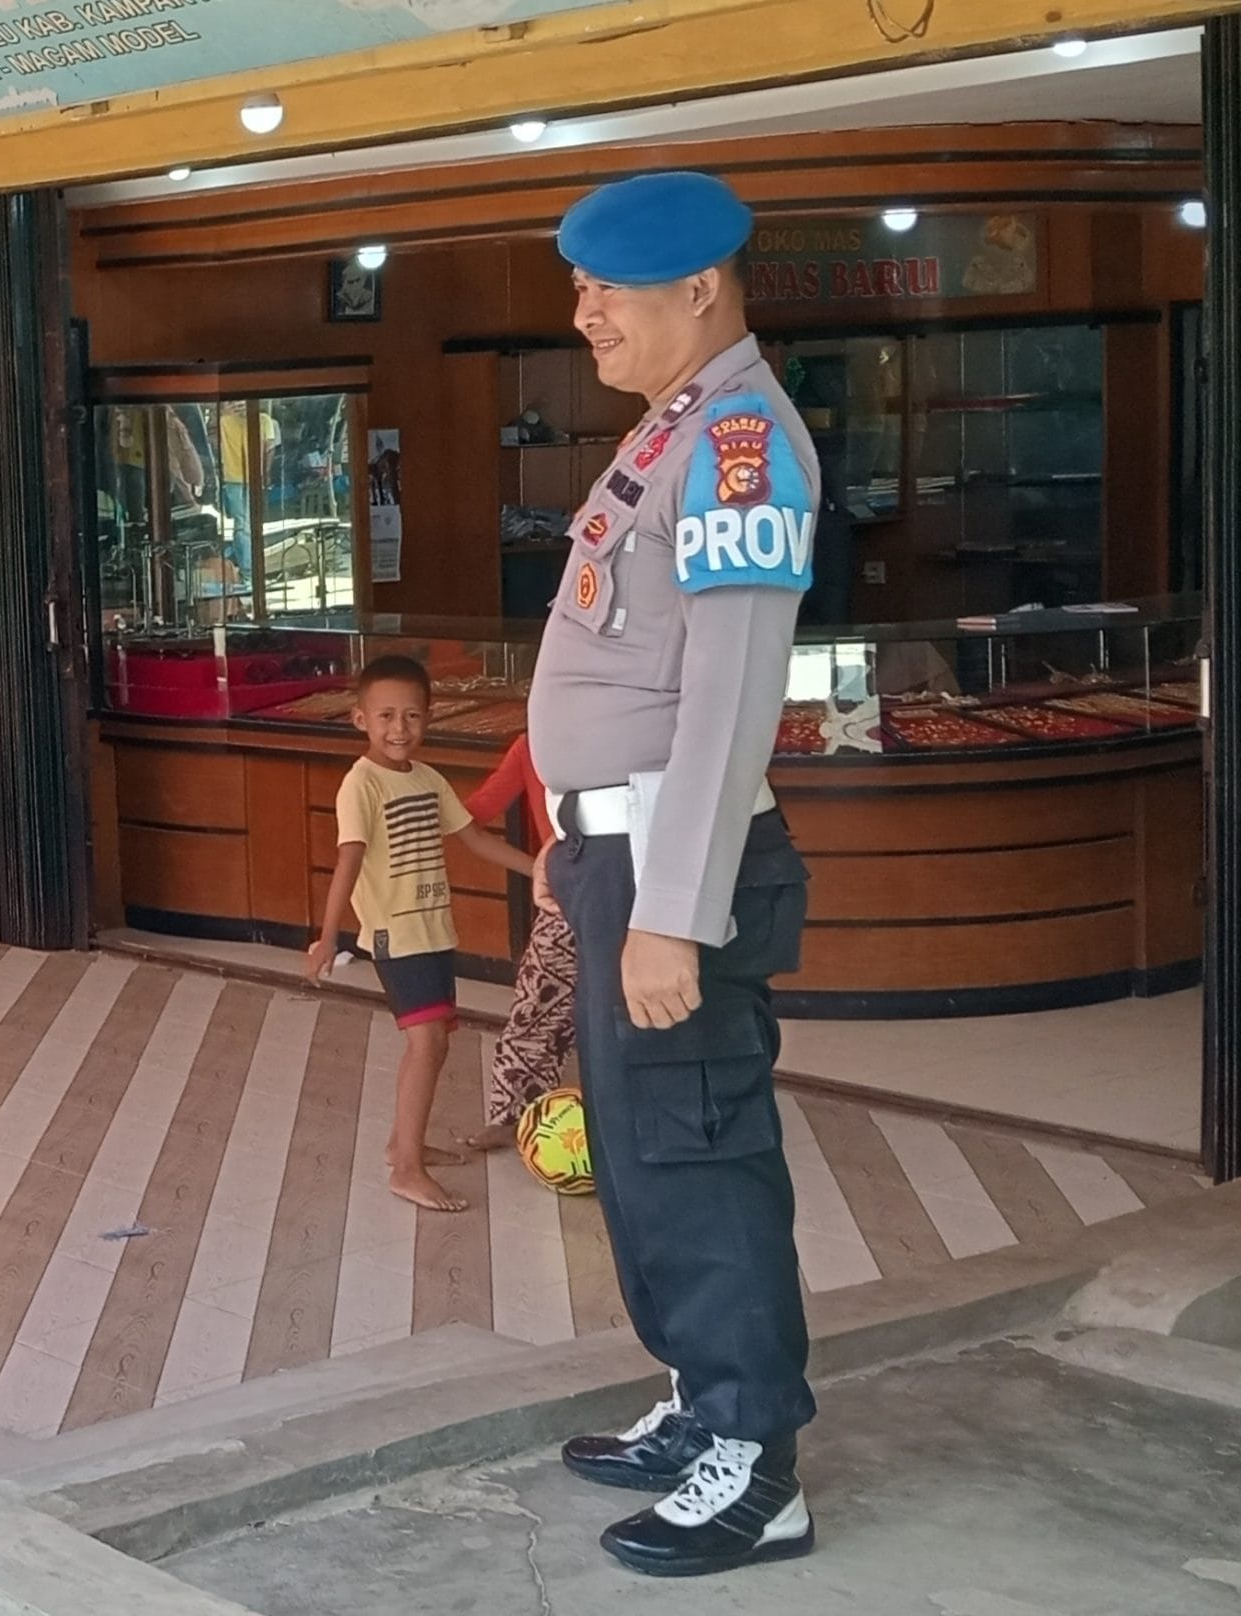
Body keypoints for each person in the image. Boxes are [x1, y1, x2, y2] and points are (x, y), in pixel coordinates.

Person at [526, 171, 819, 1577]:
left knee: (700, 1156)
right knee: (645, 1157)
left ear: (699, 289)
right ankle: (704, 1400)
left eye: (608, 291)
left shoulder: (741, 442)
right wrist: (572, 838)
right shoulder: (672, 429)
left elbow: (730, 697)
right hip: (623, 850)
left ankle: (757, 1459)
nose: (585, 315)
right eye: (579, 290)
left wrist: (674, 911)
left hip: (674, 865)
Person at [305, 654, 533, 1213]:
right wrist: (328, 937)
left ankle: (402, 1145)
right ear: (361, 719)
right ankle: (406, 1168)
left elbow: (474, 838)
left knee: (436, 1042)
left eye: (411, 715)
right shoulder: (361, 785)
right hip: (396, 935)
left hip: (433, 930)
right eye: (385, 716)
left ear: (429, 717)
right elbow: (348, 862)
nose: (399, 728)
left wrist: (542, 870)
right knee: (425, 1042)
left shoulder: (428, 780)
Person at [462, 733, 575, 1153]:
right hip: (564, 903)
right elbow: (473, 814)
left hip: (632, 899)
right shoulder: (531, 745)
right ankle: (511, 1118)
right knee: (533, 1011)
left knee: (635, 1015)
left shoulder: (618, 734)